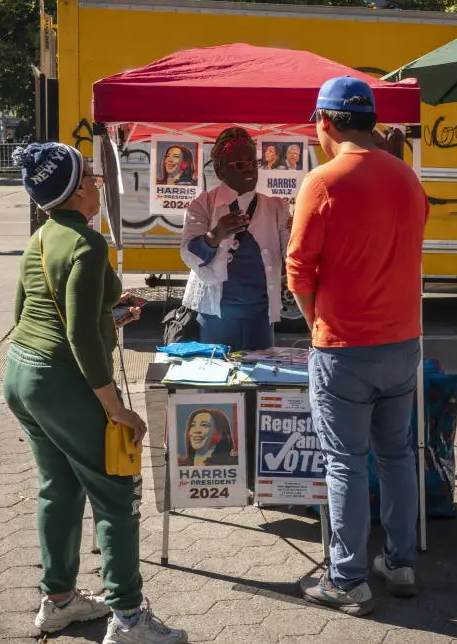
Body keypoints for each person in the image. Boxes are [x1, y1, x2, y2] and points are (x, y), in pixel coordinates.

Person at [5, 142, 187, 644]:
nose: (97, 182)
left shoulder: (42, 235)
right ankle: (128, 617)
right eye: (90, 175)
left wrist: (114, 314)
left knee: (58, 488)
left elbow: (28, 314)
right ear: (76, 189)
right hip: (63, 382)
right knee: (117, 493)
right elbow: (80, 336)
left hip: (22, 375)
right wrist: (116, 409)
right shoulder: (87, 243)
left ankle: (58, 600)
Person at [287, 76, 429, 616]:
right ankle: (400, 560)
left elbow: (299, 272)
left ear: (323, 121)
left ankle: (347, 579)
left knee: (344, 461)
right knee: (396, 455)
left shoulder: (321, 182)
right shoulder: (407, 178)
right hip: (402, 342)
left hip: (344, 346)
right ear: (370, 121)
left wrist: (316, 321)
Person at [180, 127, 291, 351]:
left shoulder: (276, 207)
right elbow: (188, 253)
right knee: (215, 380)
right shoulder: (203, 204)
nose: (250, 169)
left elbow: (290, 254)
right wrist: (215, 236)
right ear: (221, 171)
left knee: (260, 378)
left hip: (259, 317)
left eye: (253, 162)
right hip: (216, 318)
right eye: (240, 165)